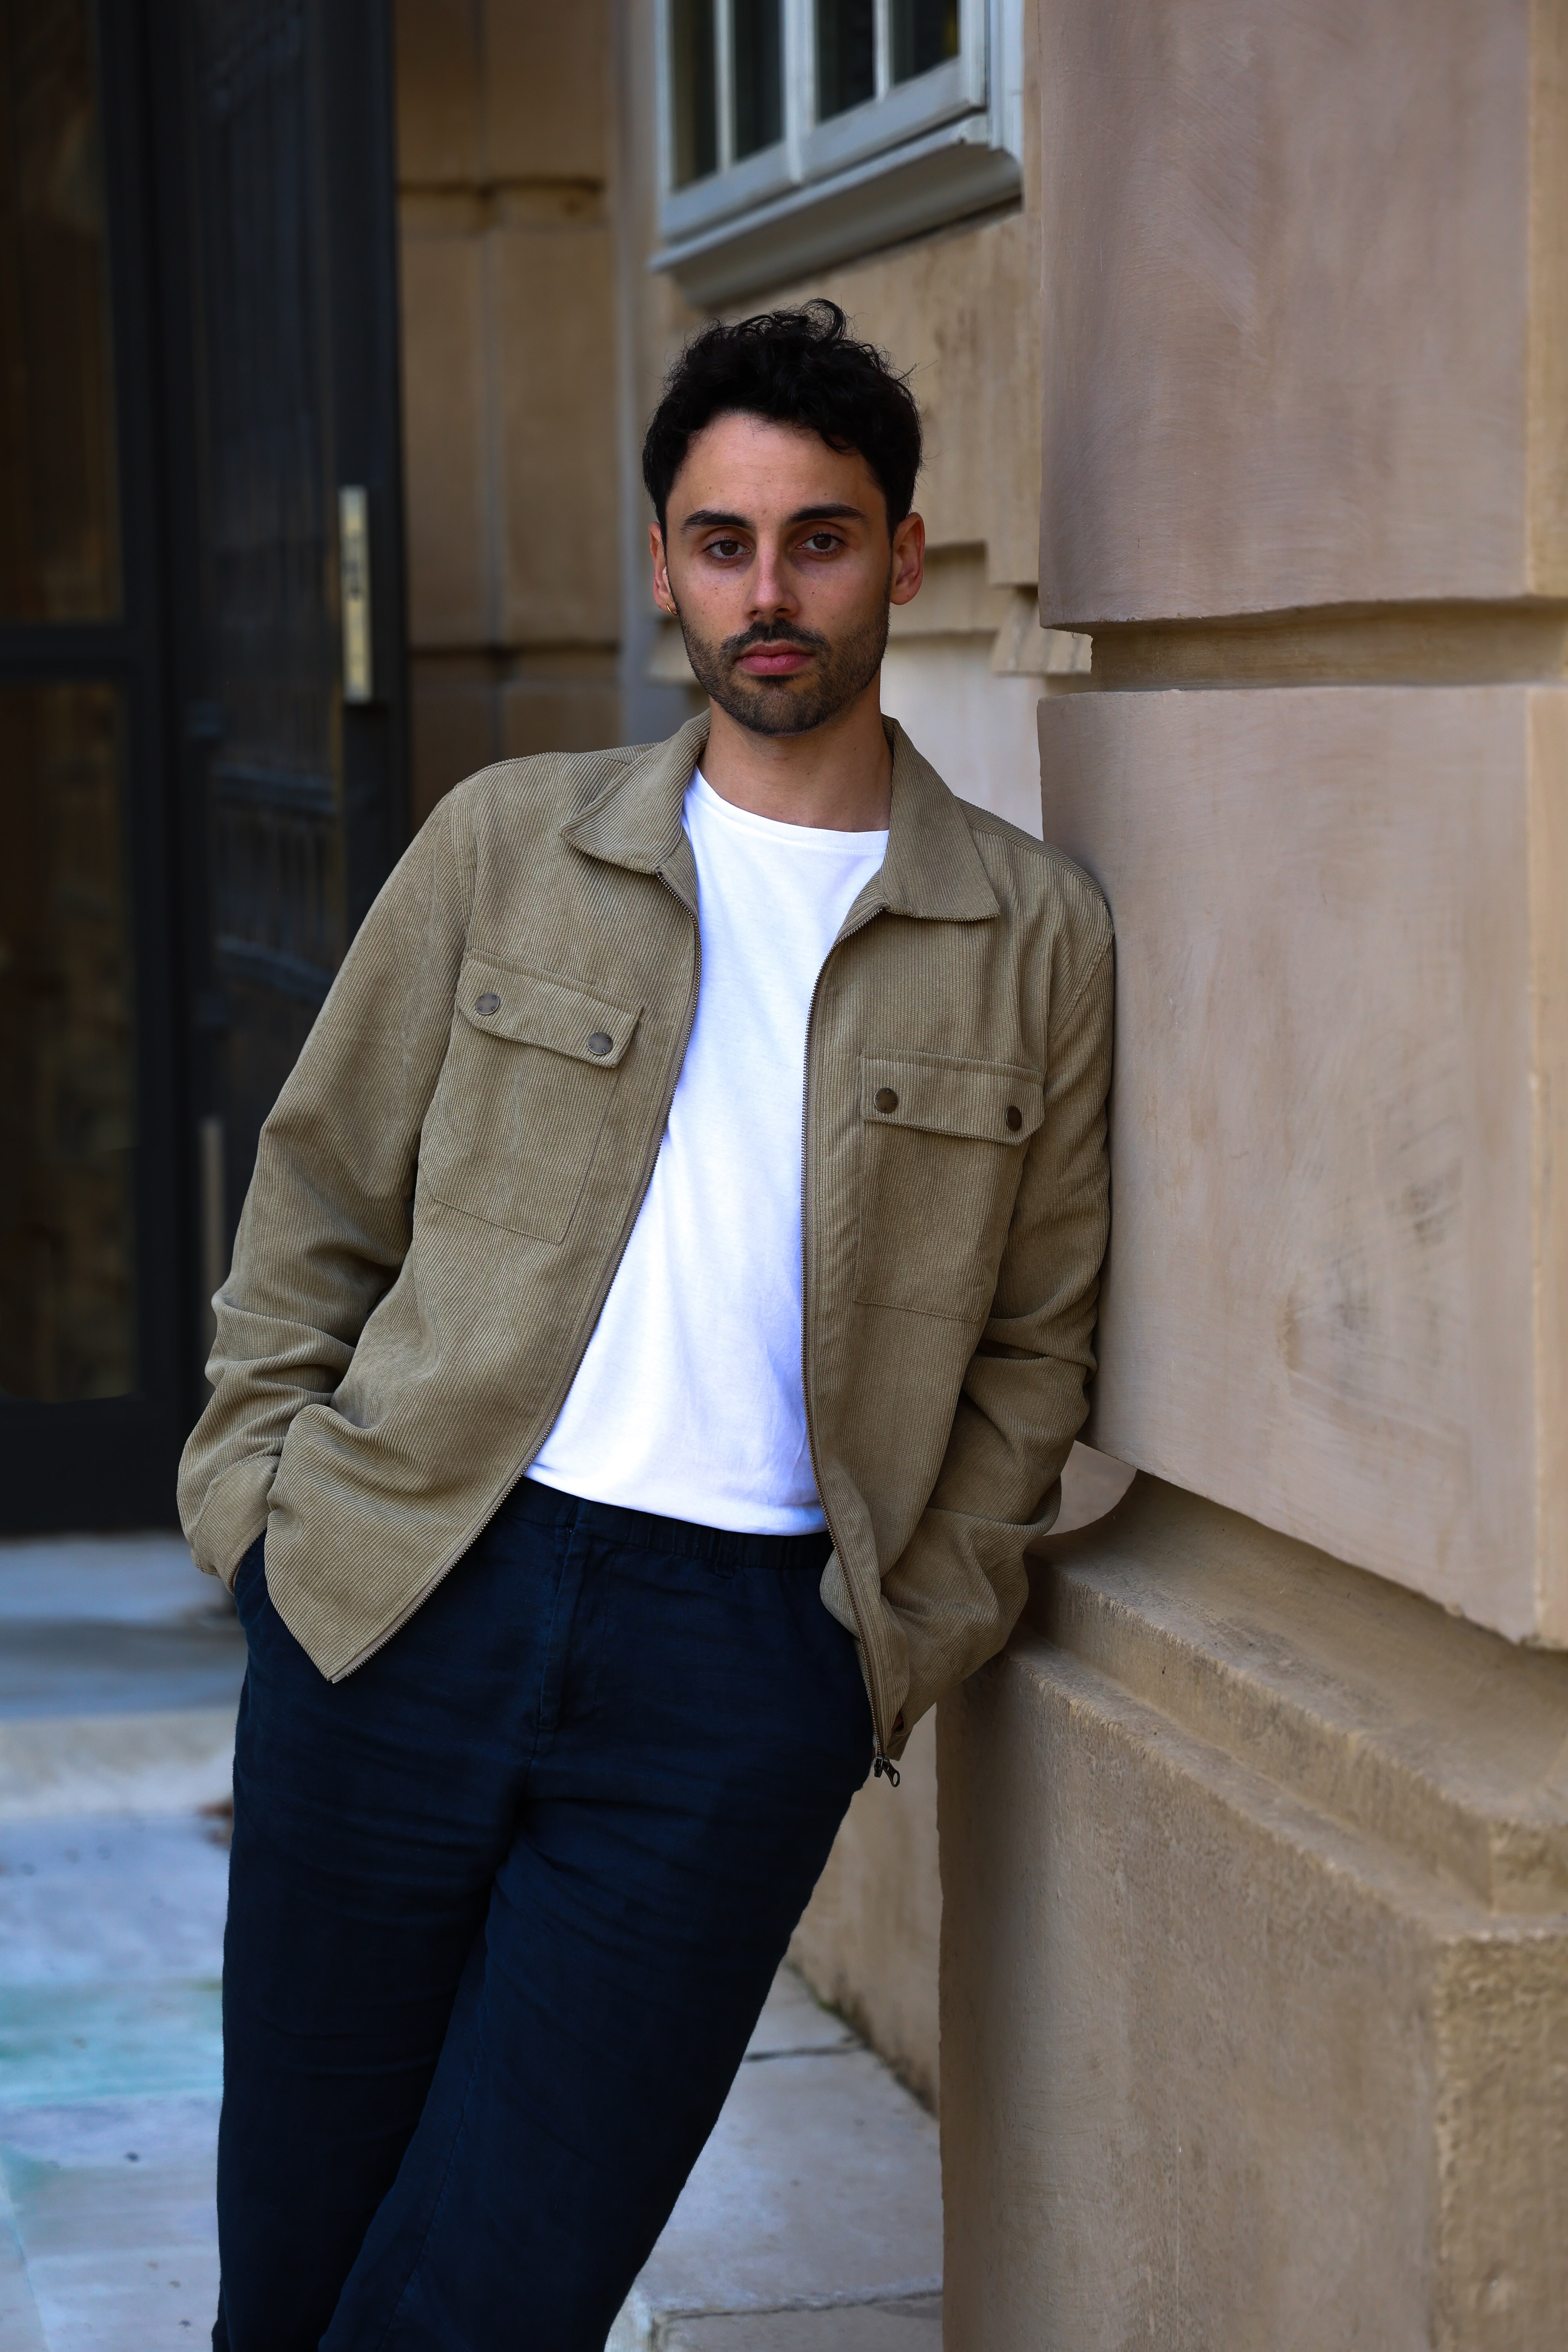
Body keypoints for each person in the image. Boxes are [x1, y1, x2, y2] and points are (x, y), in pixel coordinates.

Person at [180, 299, 1114, 2351]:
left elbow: (1040, 1348)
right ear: (664, 560)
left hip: (735, 1675)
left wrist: (893, 1639)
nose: (766, 594)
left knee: (505, 2286)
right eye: (720, 540)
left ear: (908, 551)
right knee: (299, 2271)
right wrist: (261, 1513)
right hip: (405, 1591)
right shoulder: (512, 847)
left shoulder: (1032, 936)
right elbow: (322, 1194)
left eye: (818, 538)